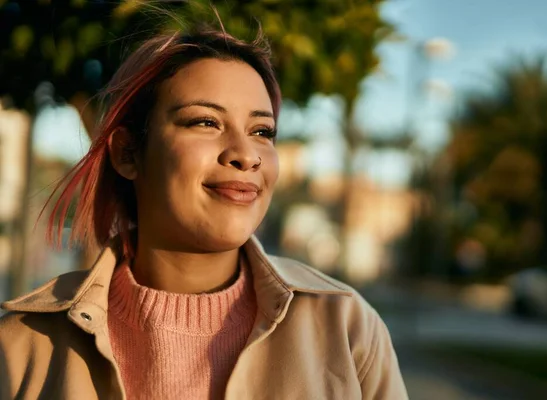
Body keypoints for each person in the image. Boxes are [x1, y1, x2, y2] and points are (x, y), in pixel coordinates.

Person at [0, 23, 408, 400]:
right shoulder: (19, 346)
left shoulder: (347, 328)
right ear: (128, 153)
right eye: (205, 122)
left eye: (261, 131)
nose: (246, 155)